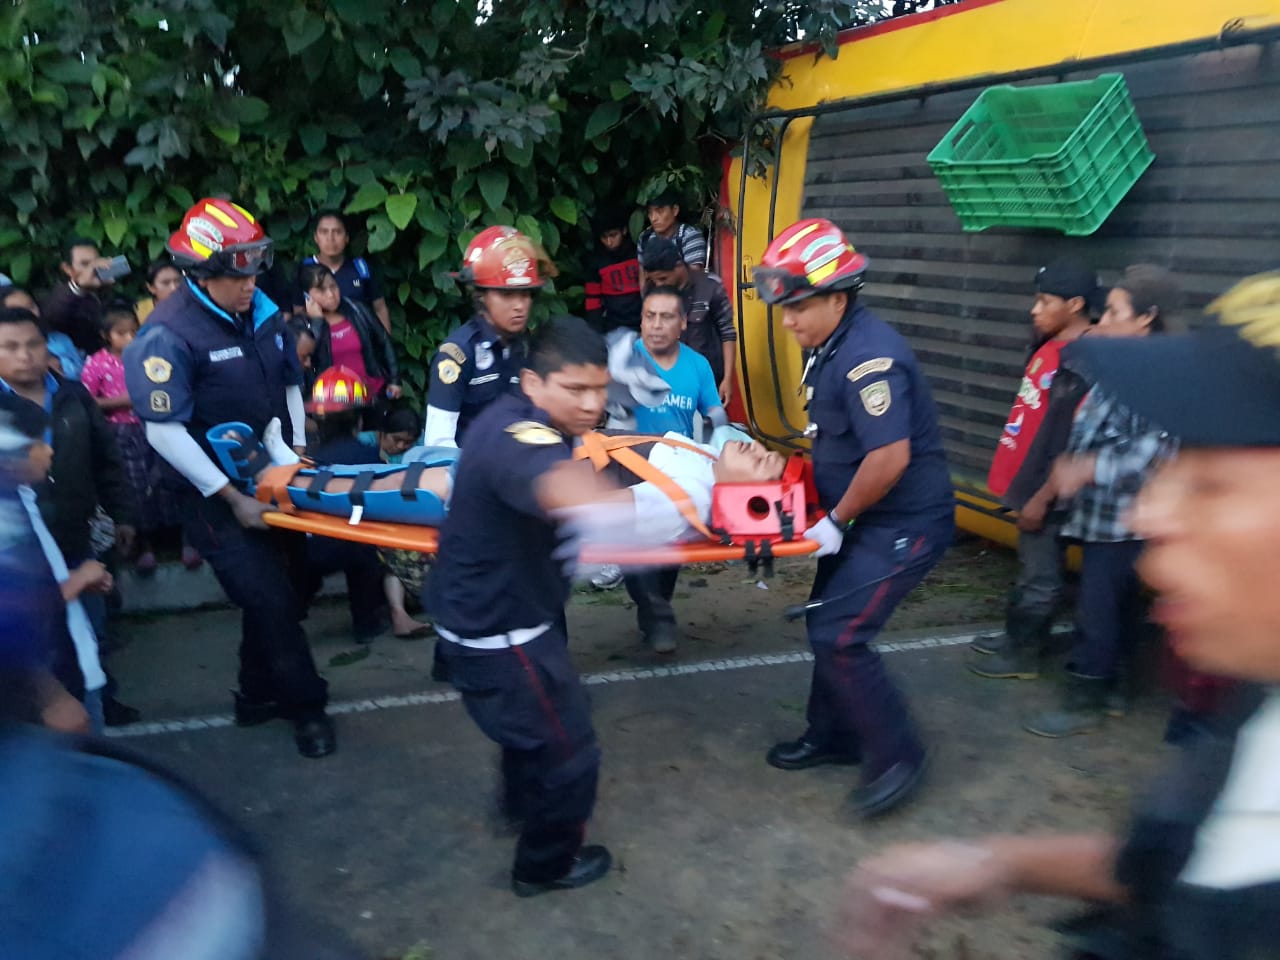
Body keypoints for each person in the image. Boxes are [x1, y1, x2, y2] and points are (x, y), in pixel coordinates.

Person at [841, 271, 1280, 960]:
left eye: (1213, 483)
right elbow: (1173, 861)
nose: (1151, 511)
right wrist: (995, 864)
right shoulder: (1256, 703)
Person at [753, 218, 955, 818]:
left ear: (838, 297)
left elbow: (889, 455)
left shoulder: (870, 360)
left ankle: (898, 757)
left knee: (840, 633)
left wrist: (837, 518)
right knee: (826, 620)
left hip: (902, 523)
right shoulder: (830, 345)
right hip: (865, 519)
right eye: (784, 308)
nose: (787, 321)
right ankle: (833, 734)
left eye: (798, 307)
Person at [121, 197, 334, 759]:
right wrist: (230, 497)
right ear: (201, 272)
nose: (250, 281)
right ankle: (306, 707)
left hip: (271, 470)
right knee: (267, 597)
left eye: (254, 266)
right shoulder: (167, 334)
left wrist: (294, 449)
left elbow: (290, 382)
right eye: (236, 271)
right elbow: (164, 432)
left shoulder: (262, 311)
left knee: (295, 580)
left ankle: (256, 692)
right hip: (209, 494)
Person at [1022, 266, 1182, 737]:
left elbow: (1153, 455)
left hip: (1125, 521)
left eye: (1114, 311)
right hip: (1102, 516)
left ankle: (1088, 695)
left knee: (1098, 608)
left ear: (1146, 318)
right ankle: (1114, 689)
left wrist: (1088, 469)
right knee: (1117, 605)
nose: (1103, 320)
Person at [0, 306, 140, 726]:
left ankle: (96, 697)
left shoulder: (73, 394)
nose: (24, 355)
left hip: (77, 539)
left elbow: (107, 459)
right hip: (29, 552)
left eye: (33, 344)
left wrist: (123, 516)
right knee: (44, 640)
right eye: (10, 347)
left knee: (88, 631)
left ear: (49, 348)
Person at [969, 258, 1098, 680]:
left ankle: (1025, 653)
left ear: (1076, 303)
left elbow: (1068, 439)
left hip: (1047, 491)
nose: (1034, 309)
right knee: (1032, 566)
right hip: (1028, 483)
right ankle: (1015, 637)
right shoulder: (1051, 344)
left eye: (1045, 301)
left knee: (1042, 574)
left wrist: (1041, 497)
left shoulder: (1083, 359)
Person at [618, 285, 728, 654]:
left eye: (666, 317)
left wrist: (721, 453)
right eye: (650, 316)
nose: (656, 325)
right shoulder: (622, 360)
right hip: (628, 465)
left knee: (668, 555)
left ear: (683, 322)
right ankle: (655, 614)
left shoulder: (698, 365)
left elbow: (715, 418)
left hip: (679, 471)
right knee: (632, 547)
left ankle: (656, 605)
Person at [80, 303, 181, 575]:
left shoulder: (148, 355)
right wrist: (122, 402)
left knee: (164, 476)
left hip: (154, 424)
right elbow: (87, 401)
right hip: (121, 431)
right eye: (121, 333)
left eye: (133, 332)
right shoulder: (97, 363)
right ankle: (144, 545)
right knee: (135, 485)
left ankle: (180, 539)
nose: (129, 338)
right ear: (106, 335)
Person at [295, 366, 389, 645]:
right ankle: (366, 624)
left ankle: (292, 611)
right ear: (358, 419)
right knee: (365, 550)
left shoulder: (309, 460)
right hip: (353, 543)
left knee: (302, 567)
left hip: (310, 550)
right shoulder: (369, 456)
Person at [422, 225, 540, 447]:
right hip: (469, 472)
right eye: (507, 294)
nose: (519, 306)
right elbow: (438, 444)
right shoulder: (458, 354)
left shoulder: (529, 347)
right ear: (480, 296)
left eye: (526, 294)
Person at [640, 234, 737, 406]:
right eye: (653, 280)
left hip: (708, 379)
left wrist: (728, 379)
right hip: (666, 380)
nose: (659, 285)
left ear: (679, 266)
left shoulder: (710, 286)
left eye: (663, 278)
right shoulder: (652, 289)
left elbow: (727, 333)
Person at [299, 263, 401, 401]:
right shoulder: (302, 326)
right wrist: (317, 322)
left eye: (333, 286)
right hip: (332, 402)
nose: (331, 294)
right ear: (307, 295)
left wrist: (394, 380)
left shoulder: (357, 309)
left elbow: (384, 341)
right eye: (321, 290)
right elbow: (308, 360)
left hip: (371, 394)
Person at [293, 210, 390, 331]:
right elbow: (298, 313)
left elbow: (380, 308)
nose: (330, 238)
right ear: (315, 237)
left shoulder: (361, 269)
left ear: (347, 237)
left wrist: (386, 344)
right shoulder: (304, 270)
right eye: (324, 232)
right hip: (321, 343)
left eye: (337, 232)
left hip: (361, 343)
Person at [39, 237, 122, 359]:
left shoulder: (106, 292)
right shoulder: (59, 297)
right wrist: (79, 286)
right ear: (67, 269)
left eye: (96, 262)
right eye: (85, 264)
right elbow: (52, 316)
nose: (93, 269)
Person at [583, 208, 642, 334]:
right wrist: (595, 332)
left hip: (644, 322)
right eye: (604, 237)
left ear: (624, 231)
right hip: (614, 326)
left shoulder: (639, 254)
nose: (609, 242)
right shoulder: (596, 261)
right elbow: (592, 300)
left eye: (613, 235)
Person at [636, 187, 706, 278]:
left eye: (659, 211)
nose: (653, 218)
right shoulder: (645, 238)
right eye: (650, 212)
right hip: (655, 291)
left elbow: (695, 277)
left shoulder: (689, 235)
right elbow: (643, 276)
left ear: (675, 210)